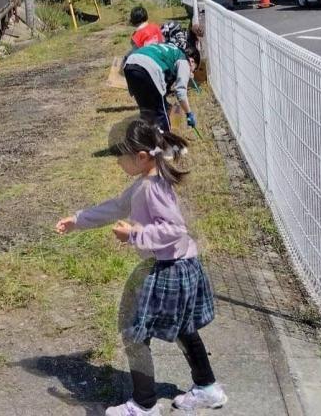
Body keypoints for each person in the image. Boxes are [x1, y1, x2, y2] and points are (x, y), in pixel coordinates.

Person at [56, 119, 226, 415]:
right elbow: (117, 206)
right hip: (181, 264)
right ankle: (208, 388)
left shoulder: (152, 187)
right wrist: (77, 219)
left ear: (141, 157)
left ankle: (144, 405)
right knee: (185, 328)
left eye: (120, 156)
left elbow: (174, 228)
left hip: (168, 269)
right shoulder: (149, 179)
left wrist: (134, 235)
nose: (118, 163)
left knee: (134, 331)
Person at [123, 43, 200, 132]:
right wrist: (189, 113)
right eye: (194, 69)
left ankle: (147, 139)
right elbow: (181, 92)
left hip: (130, 63)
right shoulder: (184, 60)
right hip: (148, 67)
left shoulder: (172, 48)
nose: (192, 72)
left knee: (146, 111)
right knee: (160, 113)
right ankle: (165, 142)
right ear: (192, 61)